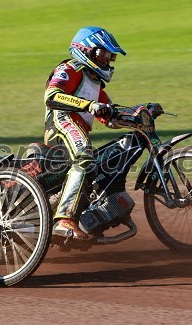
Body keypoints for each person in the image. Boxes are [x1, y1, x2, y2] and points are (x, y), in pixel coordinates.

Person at [43, 26, 126, 240]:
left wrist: (140, 113)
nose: (106, 60)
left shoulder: (96, 85)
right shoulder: (71, 68)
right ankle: (64, 220)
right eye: (102, 54)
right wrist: (88, 105)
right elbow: (51, 96)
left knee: (95, 168)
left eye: (109, 56)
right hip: (61, 121)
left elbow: (110, 117)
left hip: (77, 128)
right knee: (84, 157)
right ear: (85, 50)